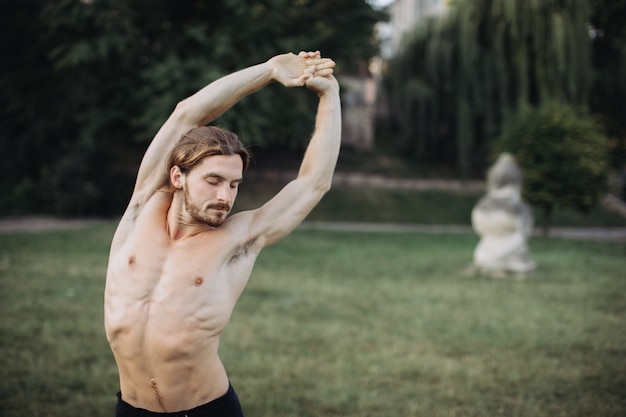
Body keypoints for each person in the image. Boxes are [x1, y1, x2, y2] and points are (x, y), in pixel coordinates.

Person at [104, 50, 340, 416]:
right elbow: (187, 114)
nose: (224, 196)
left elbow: (313, 183)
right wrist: (268, 70)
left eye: (234, 184)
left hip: (207, 410)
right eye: (213, 180)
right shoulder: (142, 204)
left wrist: (329, 97)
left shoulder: (239, 239)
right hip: (132, 409)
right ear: (178, 177)